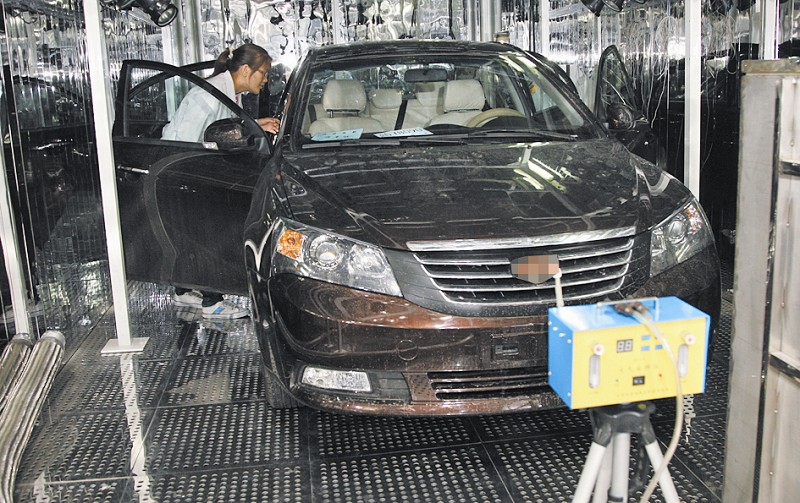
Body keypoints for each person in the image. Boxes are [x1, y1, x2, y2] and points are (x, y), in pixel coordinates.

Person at [163, 43, 280, 319]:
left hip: (197, 171)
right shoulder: (207, 95)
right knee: (209, 232)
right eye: (263, 73)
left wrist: (256, 124)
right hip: (182, 170)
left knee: (193, 232)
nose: (265, 80)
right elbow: (187, 141)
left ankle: (183, 290)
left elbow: (223, 126)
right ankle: (212, 303)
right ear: (245, 70)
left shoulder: (228, 92)